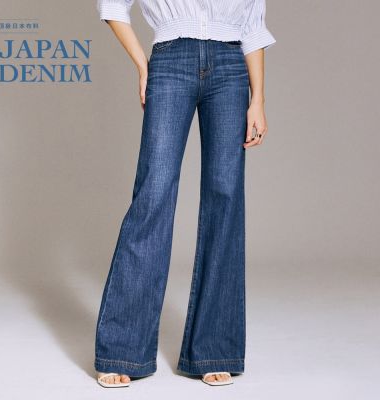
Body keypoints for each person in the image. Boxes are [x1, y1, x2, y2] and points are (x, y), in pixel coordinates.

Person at [94, 0, 276, 387]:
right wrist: (143, 65)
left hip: (231, 68)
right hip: (170, 60)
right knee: (154, 193)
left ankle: (214, 349)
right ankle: (122, 350)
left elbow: (253, 25)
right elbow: (112, 5)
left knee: (226, 196)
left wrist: (258, 98)